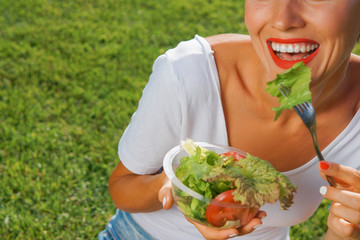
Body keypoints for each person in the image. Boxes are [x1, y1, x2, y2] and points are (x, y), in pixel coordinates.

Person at [99, 0, 360, 239]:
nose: (282, 20)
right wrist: (173, 185)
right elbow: (121, 187)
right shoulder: (188, 74)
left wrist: (345, 234)